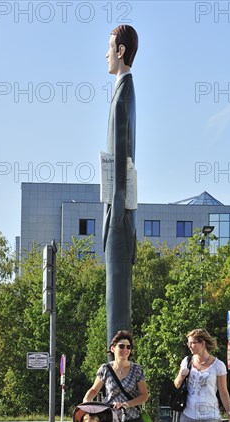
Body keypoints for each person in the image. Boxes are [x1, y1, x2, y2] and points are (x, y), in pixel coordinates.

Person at [103, 25, 138, 342]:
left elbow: (123, 156)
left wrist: (116, 211)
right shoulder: (123, 90)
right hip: (120, 209)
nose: (106, 54)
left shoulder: (124, 94)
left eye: (109, 47)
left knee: (116, 286)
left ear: (121, 50)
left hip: (118, 211)